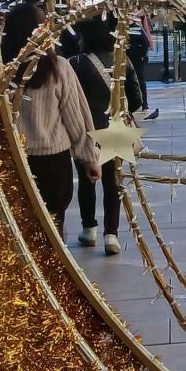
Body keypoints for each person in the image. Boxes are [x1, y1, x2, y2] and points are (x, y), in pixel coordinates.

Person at [1, 4, 99, 236]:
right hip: (53, 162)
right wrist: (89, 158)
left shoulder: (0, 70)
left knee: (21, 232)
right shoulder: (58, 67)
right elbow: (76, 116)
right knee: (53, 231)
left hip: (13, 160)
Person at [72, 18, 142, 254]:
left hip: (87, 128)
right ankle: (111, 234)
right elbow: (137, 97)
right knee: (113, 182)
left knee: (86, 180)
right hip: (116, 127)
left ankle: (88, 228)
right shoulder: (122, 59)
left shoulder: (77, 63)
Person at [127, 15, 156, 119]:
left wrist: (140, 55)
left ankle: (144, 102)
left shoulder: (137, 28)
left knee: (139, 79)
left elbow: (145, 44)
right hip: (129, 58)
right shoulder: (121, 28)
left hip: (135, 59)